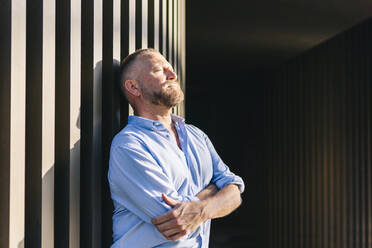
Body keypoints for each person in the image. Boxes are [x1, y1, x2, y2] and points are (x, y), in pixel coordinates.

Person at [108, 48, 244, 248]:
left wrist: (201, 210)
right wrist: (215, 191)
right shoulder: (129, 145)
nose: (172, 75)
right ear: (134, 87)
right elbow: (176, 221)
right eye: (159, 70)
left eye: (170, 69)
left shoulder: (197, 136)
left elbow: (235, 192)